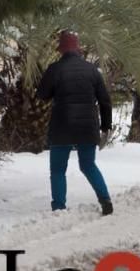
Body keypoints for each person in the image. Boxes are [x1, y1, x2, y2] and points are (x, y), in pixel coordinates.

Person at [37, 30, 114, 215]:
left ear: (61, 50)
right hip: (88, 126)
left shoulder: (55, 69)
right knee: (88, 165)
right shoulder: (92, 70)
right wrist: (105, 126)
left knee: (57, 169)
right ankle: (105, 200)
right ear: (78, 49)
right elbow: (105, 100)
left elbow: (42, 95)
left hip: (62, 125)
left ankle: (59, 207)